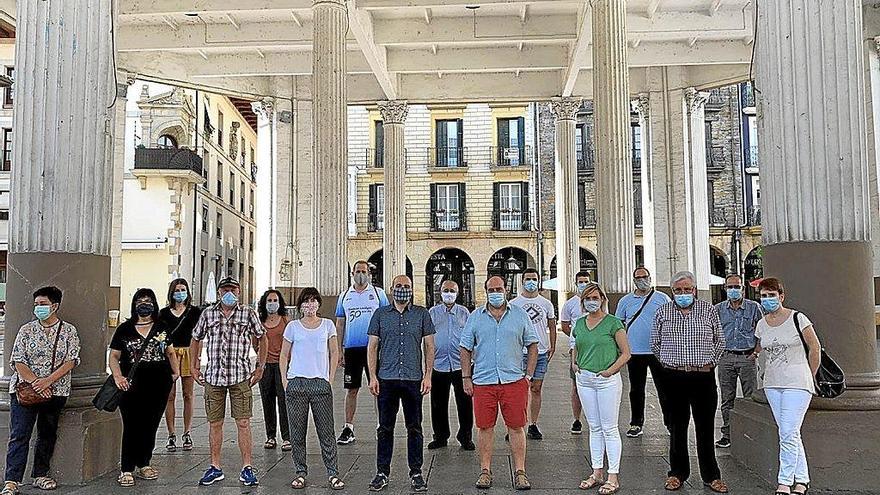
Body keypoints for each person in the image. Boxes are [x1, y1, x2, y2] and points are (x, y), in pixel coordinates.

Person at [651, 271, 728, 493]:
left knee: (705, 427)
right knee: (677, 427)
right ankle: (677, 473)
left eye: (687, 290)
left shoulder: (708, 310)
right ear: (672, 291)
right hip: (674, 377)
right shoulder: (663, 312)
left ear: (694, 290)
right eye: (678, 290)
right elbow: (655, 343)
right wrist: (669, 362)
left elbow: (719, 340)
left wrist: (709, 362)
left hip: (702, 376)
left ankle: (711, 475)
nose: (683, 294)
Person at [461, 276, 538, 491]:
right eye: (491, 289)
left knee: (516, 427)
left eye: (499, 288)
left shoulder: (520, 315)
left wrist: (528, 375)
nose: (495, 292)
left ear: (506, 290)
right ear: (485, 291)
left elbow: (533, 344)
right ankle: (485, 471)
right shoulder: (476, 317)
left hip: (513, 381)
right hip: (483, 382)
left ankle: (520, 472)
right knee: (485, 428)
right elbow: (465, 348)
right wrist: (466, 377)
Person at [2, 287, 80, 495]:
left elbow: (70, 361)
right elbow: (17, 361)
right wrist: (36, 383)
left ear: (54, 306)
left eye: (43, 304)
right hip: (25, 391)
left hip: (56, 391)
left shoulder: (68, 331)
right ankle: (12, 479)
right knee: (20, 434)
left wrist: (48, 382)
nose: (39, 308)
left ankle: (40, 474)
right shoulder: (26, 330)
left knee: (47, 433)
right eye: (36, 304)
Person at [191, 277, 268, 487]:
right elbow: (195, 337)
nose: (229, 293)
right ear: (218, 292)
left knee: (243, 422)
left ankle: (247, 467)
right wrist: (194, 365)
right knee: (215, 423)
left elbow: (262, 336)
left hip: (240, 375)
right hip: (214, 376)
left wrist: (260, 366)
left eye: (233, 289)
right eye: (225, 289)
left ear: (239, 292)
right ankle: (215, 467)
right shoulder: (208, 313)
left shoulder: (248, 313)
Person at [366, 275, 435, 492]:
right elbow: (372, 347)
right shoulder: (380, 314)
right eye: (398, 286)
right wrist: (373, 376)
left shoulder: (422, 314)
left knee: (414, 427)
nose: (402, 290)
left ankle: (416, 472)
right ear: (391, 289)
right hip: (387, 379)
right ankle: (382, 472)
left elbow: (430, 347)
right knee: (385, 428)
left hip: (413, 379)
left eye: (406, 287)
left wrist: (428, 375)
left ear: (412, 289)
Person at [754, 278, 820, 495]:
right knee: (790, 432)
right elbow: (760, 350)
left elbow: (814, 347)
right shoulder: (762, 324)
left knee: (788, 431)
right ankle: (802, 480)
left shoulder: (798, 318)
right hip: (773, 383)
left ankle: (784, 482)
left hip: (798, 383)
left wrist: (808, 376)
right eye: (764, 295)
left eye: (772, 295)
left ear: (781, 296)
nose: (767, 299)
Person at [109, 288, 179, 487]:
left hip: (158, 382)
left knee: (151, 423)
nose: (144, 304)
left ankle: (144, 462)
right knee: (132, 424)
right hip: (130, 384)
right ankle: (126, 468)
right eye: (140, 300)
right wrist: (117, 376)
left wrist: (175, 374)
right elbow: (114, 356)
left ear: (154, 303)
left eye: (148, 300)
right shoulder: (125, 329)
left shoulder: (161, 327)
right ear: (134, 304)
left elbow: (170, 352)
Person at [279, 287, 345, 490]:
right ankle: (300, 471)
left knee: (326, 431)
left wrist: (329, 378)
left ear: (318, 304)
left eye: (313, 301)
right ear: (301, 305)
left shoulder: (327, 325)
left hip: (320, 382)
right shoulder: (292, 327)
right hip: (297, 382)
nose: (310, 305)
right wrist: (285, 380)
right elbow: (283, 355)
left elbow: (334, 352)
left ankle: (332, 473)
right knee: (297, 432)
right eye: (306, 301)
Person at [571, 283, 631, 495]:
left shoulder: (614, 323)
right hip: (585, 379)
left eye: (595, 297)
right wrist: (574, 364)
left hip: (607, 380)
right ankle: (597, 472)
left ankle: (613, 475)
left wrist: (610, 371)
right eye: (588, 298)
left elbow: (626, 353)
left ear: (603, 299)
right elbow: (576, 345)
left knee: (609, 427)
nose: (591, 302)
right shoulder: (579, 323)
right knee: (594, 427)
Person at [335, 261, 389, 445]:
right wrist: (339, 350)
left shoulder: (378, 294)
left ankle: (382, 426)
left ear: (369, 274)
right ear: (352, 273)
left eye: (363, 271)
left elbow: (386, 320)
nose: (360, 274)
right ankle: (348, 427)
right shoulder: (344, 296)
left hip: (373, 349)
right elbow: (340, 323)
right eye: (357, 271)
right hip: (352, 349)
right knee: (352, 389)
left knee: (377, 388)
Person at [614, 266, 671, 438]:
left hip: (658, 352)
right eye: (638, 278)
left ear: (650, 277)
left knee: (664, 389)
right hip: (634, 352)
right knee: (636, 389)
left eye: (644, 276)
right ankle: (636, 423)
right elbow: (618, 324)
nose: (642, 280)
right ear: (633, 280)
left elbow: (672, 321)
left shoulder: (662, 298)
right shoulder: (625, 301)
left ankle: (670, 422)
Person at [714, 273, 762, 449]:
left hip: (747, 357)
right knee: (727, 398)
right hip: (726, 357)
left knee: (751, 396)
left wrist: (756, 352)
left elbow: (762, 330)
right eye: (730, 287)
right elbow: (712, 333)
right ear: (725, 288)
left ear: (743, 289)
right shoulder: (718, 309)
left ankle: (751, 433)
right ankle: (727, 434)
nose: (734, 290)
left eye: (737, 287)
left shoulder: (754, 308)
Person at [427, 280, 475, 451]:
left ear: (458, 292)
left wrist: (472, 361)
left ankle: (465, 436)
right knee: (438, 403)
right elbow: (427, 339)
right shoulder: (432, 312)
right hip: (438, 365)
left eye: (452, 290)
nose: (449, 293)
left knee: (465, 403)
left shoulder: (464, 313)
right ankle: (440, 436)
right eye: (446, 290)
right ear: (440, 292)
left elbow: (471, 337)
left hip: (461, 365)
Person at [509, 268, 556, 440]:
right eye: (528, 279)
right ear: (522, 281)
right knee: (518, 389)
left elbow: (552, 326)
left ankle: (533, 424)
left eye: (534, 279)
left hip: (541, 351)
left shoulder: (546, 304)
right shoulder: (514, 304)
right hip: (519, 352)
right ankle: (516, 424)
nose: (531, 282)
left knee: (536, 388)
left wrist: (553, 345)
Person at [159, 278, 202, 452]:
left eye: (183, 289)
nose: (180, 293)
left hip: (188, 352)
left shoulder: (194, 312)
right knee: (169, 395)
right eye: (177, 290)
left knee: (188, 394)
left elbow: (198, 337)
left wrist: (197, 358)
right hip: (170, 354)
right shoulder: (163, 313)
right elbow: (160, 336)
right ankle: (171, 433)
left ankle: (187, 432)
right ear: (171, 292)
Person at [257, 289, 291, 451]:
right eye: (269, 301)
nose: (272, 304)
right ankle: (270, 436)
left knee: (284, 401)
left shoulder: (285, 320)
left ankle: (287, 437)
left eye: (275, 300)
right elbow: (255, 343)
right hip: (265, 366)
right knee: (267, 401)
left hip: (282, 366)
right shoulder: (259, 321)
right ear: (264, 303)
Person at [560, 270, 591, 435]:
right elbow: (565, 326)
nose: (583, 284)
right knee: (576, 385)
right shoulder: (570, 304)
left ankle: (594, 419)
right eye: (580, 282)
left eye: (586, 281)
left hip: (595, 350)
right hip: (577, 349)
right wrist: (577, 338)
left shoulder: (597, 301)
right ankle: (577, 419)